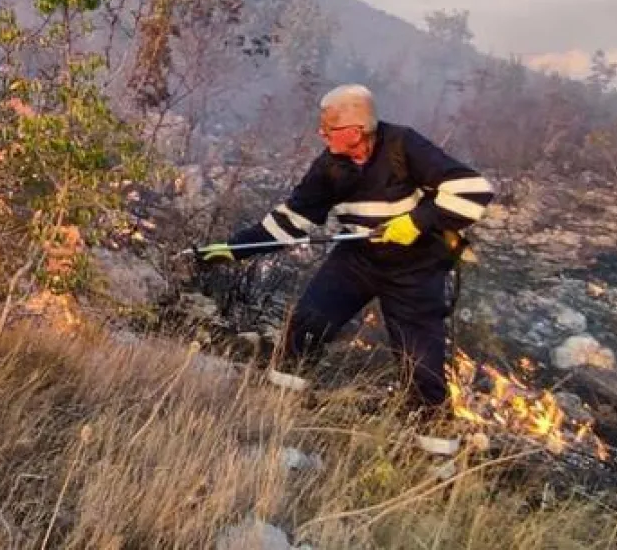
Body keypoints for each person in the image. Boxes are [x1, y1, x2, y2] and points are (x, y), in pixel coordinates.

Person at [193, 84, 494, 455]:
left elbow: (475, 191)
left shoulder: (403, 145)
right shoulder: (328, 167)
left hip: (416, 269)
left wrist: (417, 221)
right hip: (358, 259)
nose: (321, 134)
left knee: (422, 369)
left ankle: (436, 459)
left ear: (356, 130)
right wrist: (234, 249)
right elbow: (292, 221)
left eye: (328, 128)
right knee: (307, 324)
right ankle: (278, 412)